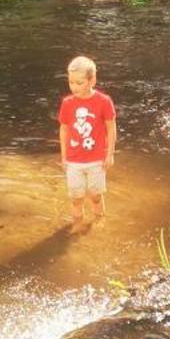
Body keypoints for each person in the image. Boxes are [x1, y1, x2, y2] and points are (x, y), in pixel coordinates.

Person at [58, 54, 116, 232]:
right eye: (71, 82)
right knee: (76, 196)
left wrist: (109, 154)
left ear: (92, 80)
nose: (74, 87)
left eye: (79, 82)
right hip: (74, 160)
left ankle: (99, 217)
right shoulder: (67, 103)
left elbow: (111, 128)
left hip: (96, 159)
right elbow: (64, 129)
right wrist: (64, 156)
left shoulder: (104, 102)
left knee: (96, 195)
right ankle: (77, 221)